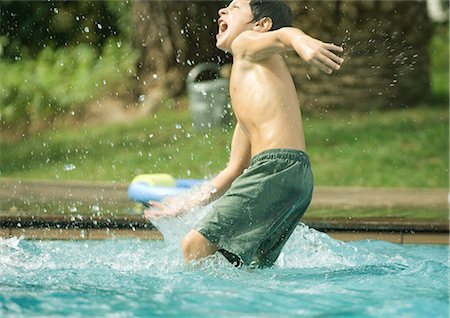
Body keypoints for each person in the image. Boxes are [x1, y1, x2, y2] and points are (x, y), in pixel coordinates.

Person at [145, 0, 344, 268]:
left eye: (235, 7)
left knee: (194, 245)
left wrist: (304, 43)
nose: (222, 11)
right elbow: (234, 170)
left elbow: (286, 34)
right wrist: (188, 202)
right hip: (297, 177)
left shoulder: (245, 44)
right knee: (247, 266)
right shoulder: (250, 98)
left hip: (275, 168)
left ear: (261, 26)